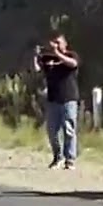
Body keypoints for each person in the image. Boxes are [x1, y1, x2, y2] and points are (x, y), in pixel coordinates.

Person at [33, 33, 80, 169]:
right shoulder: (47, 58)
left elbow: (73, 64)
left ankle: (70, 159)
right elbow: (37, 71)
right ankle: (57, 156)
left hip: (68, 98)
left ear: (65, 44)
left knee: (69, 129)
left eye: (59, 42)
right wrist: (35, 57)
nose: (56, 45)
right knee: (52, 131)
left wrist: (58, 53)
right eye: (54, 42)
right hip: (53, 99)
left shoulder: (71, 55)